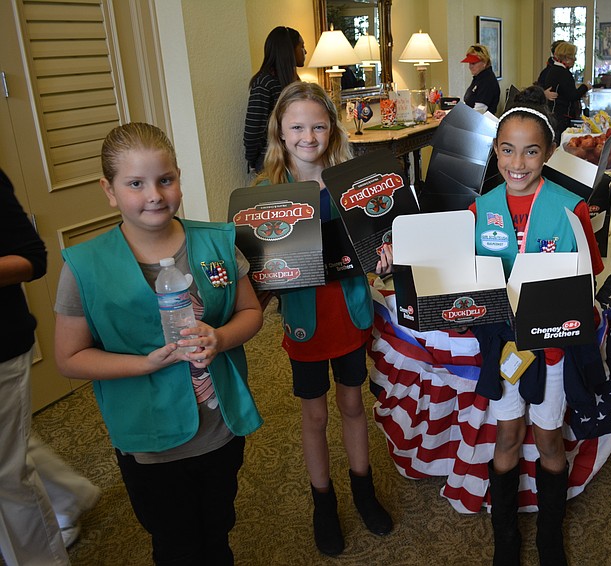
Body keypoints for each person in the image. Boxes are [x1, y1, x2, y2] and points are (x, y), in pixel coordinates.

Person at [54, 123, 265, 565]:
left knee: (218, 528)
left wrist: (221, 336)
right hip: (150, 442)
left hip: (218, 428)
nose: (154, 194)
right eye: (135, 183)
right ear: (109, 191)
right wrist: (144, 364)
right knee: (175, 544)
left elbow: (250, 313)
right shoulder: (85, 266)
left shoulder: (217, 241)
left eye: (165, 180)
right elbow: (70, 357)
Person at [256, 81, 394, 556]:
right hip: (304, 320)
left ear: (332, 130)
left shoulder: (353, 183)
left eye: (317, 125)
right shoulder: (268, 194)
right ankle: (323, 501)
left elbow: (378, 236)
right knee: (313, 415)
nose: (308, 136)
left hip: (349, 311)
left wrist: (385, 253)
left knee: (353, 405)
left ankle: (363, 488)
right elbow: (261, 267)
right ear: (281, 131)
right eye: (297, 126)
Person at [470, 86, 604, 566]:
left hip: (551, 349)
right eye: (507, 149)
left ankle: (550, 535)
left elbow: (589, 274)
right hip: (507, 347)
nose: (518, 162)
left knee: (549, 437)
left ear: (548, 153)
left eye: (531, 150)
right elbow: (460, 275)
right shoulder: (479, 209)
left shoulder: (571, 208)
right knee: (507, 434)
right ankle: (504, 536)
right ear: (495, 151)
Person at [1, 168, 101, 565]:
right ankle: (67, 493)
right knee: (10, 444)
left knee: (6, 476)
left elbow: (32, 257)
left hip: (2, 342)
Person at [243, 26, 306, 173]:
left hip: (295, 159)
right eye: (301, 46)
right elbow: (253, 130)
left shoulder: (292, 82)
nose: (305, 51)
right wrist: (254, 161)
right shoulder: (264, 83)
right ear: (289, 50)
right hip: (273, 161)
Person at [541, 41, 592, 139]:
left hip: (553, 114)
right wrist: (585, 87)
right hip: (561, 116)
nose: (575, 59)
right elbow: (572, 96)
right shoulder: (563, 73)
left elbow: (564, 92)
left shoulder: (554, 70)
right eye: (573, 56)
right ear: (567, 58)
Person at [461, 44, 501, 115]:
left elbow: (478, 112)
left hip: (479, 123)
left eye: (473, 63)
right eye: (469, 63)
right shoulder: (478, 77)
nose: (470, 67)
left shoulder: (487, 81)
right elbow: (469, 103)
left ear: (484, 63)